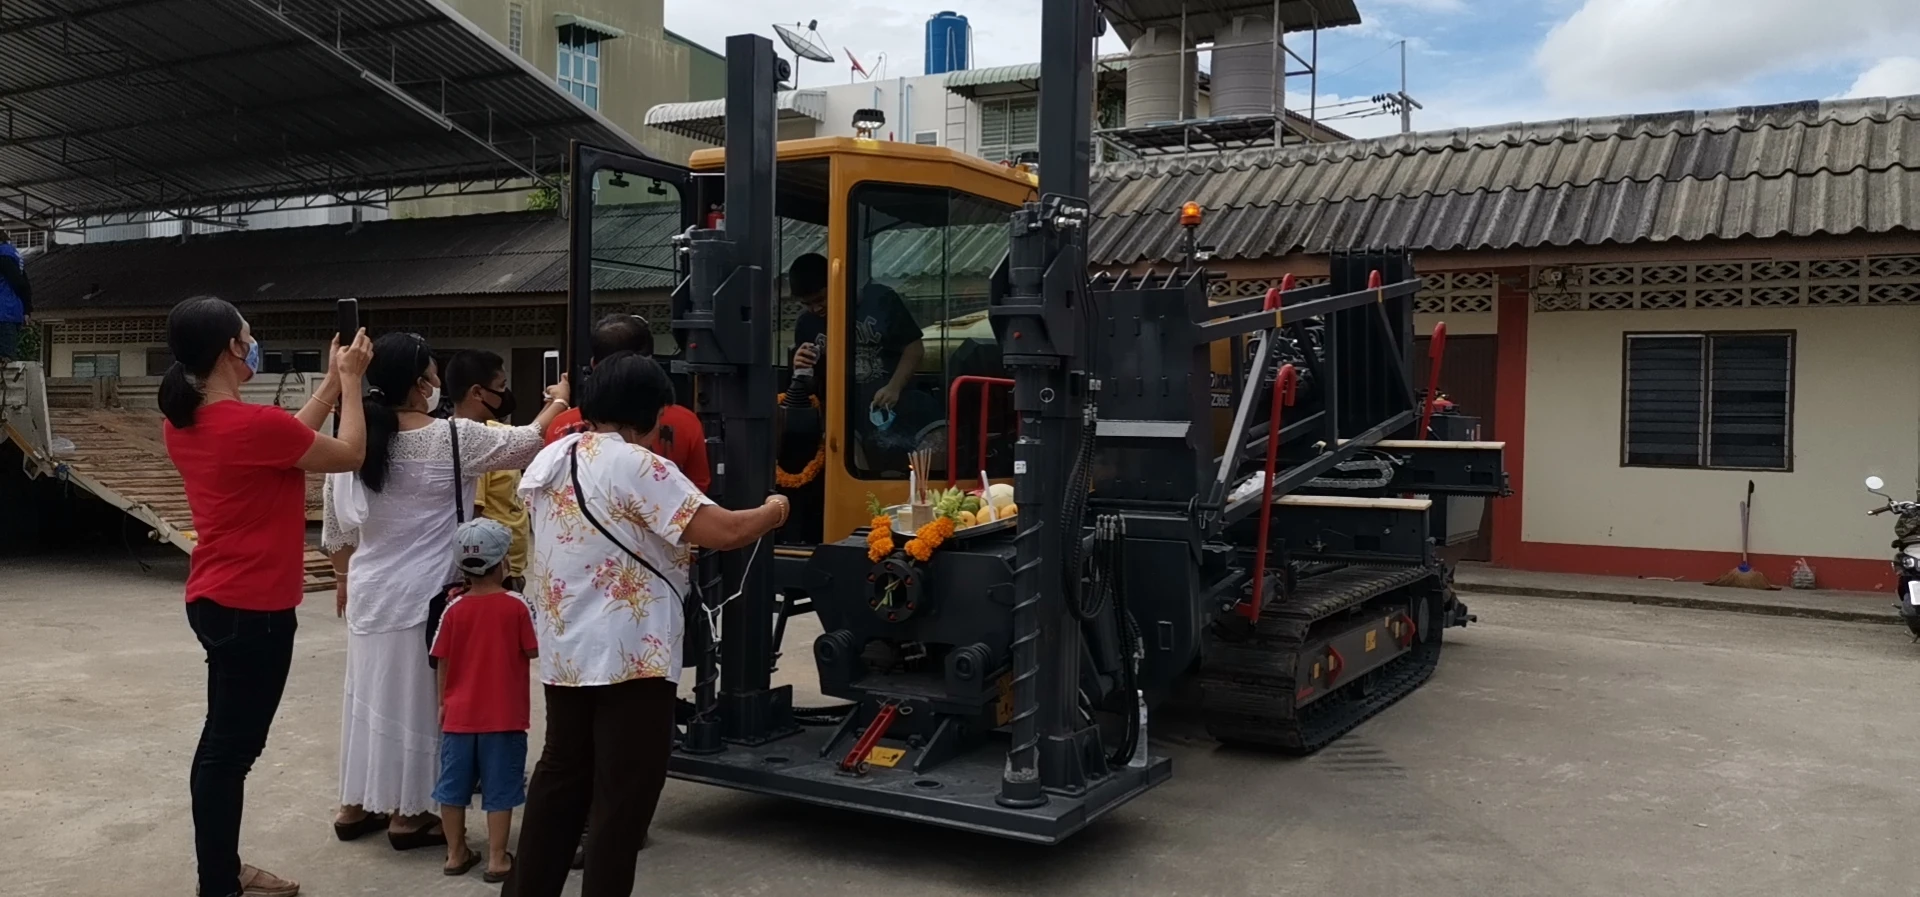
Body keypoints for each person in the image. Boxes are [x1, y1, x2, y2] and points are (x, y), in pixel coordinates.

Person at [505, 352, 789, 897]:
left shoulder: (554, 455)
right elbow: (724, 531)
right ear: (653, 411)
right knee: (623, 797)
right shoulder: (638, 464)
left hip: (567, 647)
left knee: (560, 780)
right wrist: (775, 510)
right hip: (632, 652)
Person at [324, 332, 572, 852]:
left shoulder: (352, 437)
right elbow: (528, 441)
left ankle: (356, 804)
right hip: (428, 594)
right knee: (418, 703)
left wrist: (344, 578)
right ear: (421, 385)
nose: (438, 384)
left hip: (370, 590)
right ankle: (409, 814)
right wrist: (558, 401)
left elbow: (336, 529)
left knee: (367, 698)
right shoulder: (453, 437)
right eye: (433, 375)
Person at [161, 296, 373, 897]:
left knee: (221, 746)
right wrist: (352, 384)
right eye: (248, 337)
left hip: (215, 601)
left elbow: (286, 443)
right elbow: (349, 455)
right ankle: (220, 883)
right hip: (255, 612)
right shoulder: (253, 426)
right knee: (228, 754)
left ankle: (222, 872)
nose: (253, 345)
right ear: (233, 349)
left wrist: (329, 381)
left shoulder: (184, 422)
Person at [430, 518, 538, 883]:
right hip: (504, 716)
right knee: (500, 789)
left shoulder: (453, 609)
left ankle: (455, 853)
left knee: (452, 788)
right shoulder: (517, 606)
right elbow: (533, 649)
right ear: (503, 562)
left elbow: (441, 659)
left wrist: (443, 703)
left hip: (458, 717)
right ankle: (497, 859)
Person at [787, 253, 928, 470]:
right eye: (807, 304)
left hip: (898, 398)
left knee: (938, 436)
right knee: (846, 450)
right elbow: (812, 386)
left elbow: (914, 348)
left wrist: (894, 387)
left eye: (821, 299)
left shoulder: (880, 300)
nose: (816, 308)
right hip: (845, 410)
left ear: (838, 283)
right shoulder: (806, 324)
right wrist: (801, 368)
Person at [543, 313, 710, 494]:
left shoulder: (561, 425)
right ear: (649, 364)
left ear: (594, 364)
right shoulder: (685, 421)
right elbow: (697, 489)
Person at [445, 350, 531, 590]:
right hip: (492, 571)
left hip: (510, 565)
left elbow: (533, 436)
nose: (506, 394)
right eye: (501, 387)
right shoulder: (471, 443)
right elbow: (475, 512)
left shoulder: (496, 433)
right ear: (477, 392)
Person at [0, 232, 31, 363]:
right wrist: (27, 309)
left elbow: (19, 283)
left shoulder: (3, 256)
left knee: (5, 359)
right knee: (7, 359)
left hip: (4, 312)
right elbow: (24, 283)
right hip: (12, 311)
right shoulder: (13, 255)